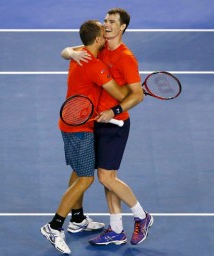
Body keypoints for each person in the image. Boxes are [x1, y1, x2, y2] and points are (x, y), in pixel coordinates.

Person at [40, 19, 142, 255]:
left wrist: (68, 52)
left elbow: (65, 51)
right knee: (86, 178)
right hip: (80, 128)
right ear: (98, 39)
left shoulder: (80, 53)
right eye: (103, 28)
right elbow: (119, 94)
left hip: (71, 122)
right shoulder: (95, 65)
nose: (107, 29)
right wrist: (135, 91)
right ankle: (54, 226)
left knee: (77, 172)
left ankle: (77, 219)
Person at [61, 8, 153, 246]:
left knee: (106, 177)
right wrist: (71, 51)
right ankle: (116, 229)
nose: (106, 24)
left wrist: (115, 110)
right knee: (107, 177)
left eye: (112, 21)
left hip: (115, 123)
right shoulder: (98, 48)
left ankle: (142, 216)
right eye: (105, 21)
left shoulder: (126, 58)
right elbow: (66, 51)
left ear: (122, 27)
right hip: (96, 122)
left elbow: (137, 96)